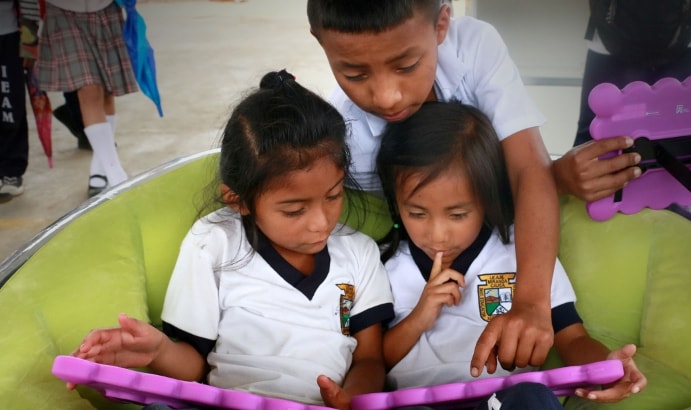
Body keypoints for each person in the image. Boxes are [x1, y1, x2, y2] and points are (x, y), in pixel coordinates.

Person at [70, 70, 395, 409]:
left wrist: (350, 400)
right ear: (238, 200)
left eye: (333, 196)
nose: (321, 223)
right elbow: (193, 366)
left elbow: (371, 360)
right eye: (295, 210)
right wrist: (157, 350)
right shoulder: (213, 242)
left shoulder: (359, 252)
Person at [307, 0, 559, 372]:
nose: (387, 96)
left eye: (406, 66)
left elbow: (529, 169)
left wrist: (532, 304)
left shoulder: (473, 49)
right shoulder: (343, 137)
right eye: (355, 75)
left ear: (441, 24)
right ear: (319, 41)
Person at [376, 101, 647, 409]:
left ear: (487, 201)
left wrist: (609, 369)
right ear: (395, 202)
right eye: (417, 213)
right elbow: (374, 361)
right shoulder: (386, 267)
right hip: (415, 402)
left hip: (503, 399)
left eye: (458, 215)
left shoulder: (524, 253)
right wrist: (419, 317)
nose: (438, 235)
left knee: (532, 397)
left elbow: (573, 339)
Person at [554, 0, 691, 202]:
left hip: (685, 25)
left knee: (670, 135)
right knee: (596, 131)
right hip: (614, 25)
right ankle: (578, 211)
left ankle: (662, 209)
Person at [36, 0, 138, 197]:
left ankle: (99, 168)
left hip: (107, 8)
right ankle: (118, 178)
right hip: (63, 11)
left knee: (107, 92)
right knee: (88, 88)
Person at [0, 0, 41, 203]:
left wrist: (30, 43)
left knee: (9, 107)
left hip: (7, 37)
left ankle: (11, 171)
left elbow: (28, 1)